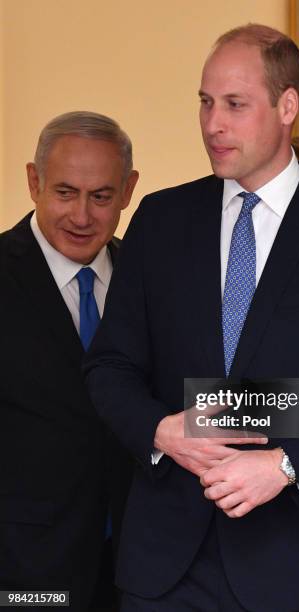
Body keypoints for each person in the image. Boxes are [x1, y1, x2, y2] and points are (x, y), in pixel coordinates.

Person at [84, 25, 299, 612]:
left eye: (235, 105)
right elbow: (109, 367)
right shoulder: (160, 220)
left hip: (296, 564)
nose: (213, 123)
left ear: (287, 105)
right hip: (164, 568)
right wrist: (161, 431)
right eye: (205, 102)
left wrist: (286, 465)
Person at [0, 111, 139, 611]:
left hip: (140, 573)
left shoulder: (151, 283)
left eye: (101, 196)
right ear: (33, 182)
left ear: (128, 191)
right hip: (23, 577)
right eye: (64, 192)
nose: (82, 216)